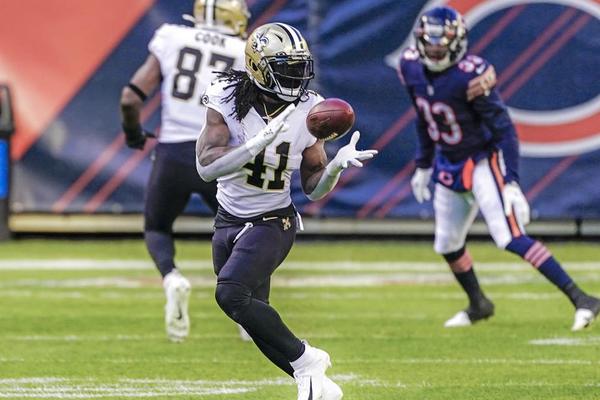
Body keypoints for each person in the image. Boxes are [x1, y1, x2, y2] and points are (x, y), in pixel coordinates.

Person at [196, 22, 376, 400]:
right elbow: (206, 167)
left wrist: (334, 169)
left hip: (273, 220)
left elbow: (312, 188)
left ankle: (309, 360)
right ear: (259, 67)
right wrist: (253, 145)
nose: (296, 76)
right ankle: (322, 388)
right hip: (228, 218)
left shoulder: (310, 109)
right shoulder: (226, 96)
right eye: (286, 68)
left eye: (299, 67)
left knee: (230, 294)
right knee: (251, 315)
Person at [398, 6, 600, 330]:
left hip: (480, 160)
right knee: (447, 244)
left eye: (441, 44)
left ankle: (583, 299)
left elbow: (504, 129)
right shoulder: (410, 66)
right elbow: (423, 117)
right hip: (448, 163)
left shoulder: (471, 75)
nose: (434, 51)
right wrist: (423, 164)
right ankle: (479, 304)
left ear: (457, 42)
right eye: (430, 44)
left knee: (509, 236)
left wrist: (511, 181)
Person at [120, 0, 250, 342]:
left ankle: (172, 277)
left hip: (173, 154)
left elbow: (130, 98)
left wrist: (133, 134)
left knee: (157, 227)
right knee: (241, 231)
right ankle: (247, 309)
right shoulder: (241, 51)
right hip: (218, 154)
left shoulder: (172, 37)